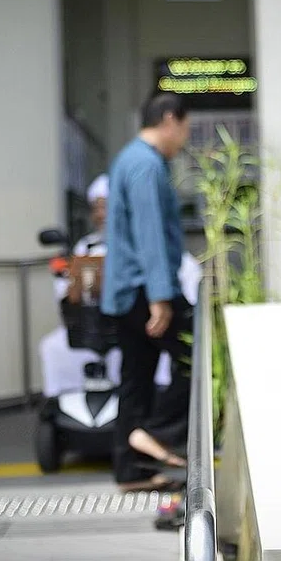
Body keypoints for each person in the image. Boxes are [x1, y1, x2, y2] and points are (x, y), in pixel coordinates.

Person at [101, 92, 193, 492]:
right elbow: (150, 234)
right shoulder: (145, 165)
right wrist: (160, 296)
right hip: (145, 289)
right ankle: (154, 434)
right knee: (197, 358)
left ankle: (131, 469)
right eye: (185, 129)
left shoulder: (130, 159)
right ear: (169, 120)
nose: (184, 139)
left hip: (128, 289)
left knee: (135, 378)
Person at [38, 174, 201, 397]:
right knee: (53, 347)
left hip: (140, 326)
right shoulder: (86, 247)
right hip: (93, 327)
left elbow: (188, 280)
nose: (101, 215)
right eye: (96, 208)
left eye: (106, 207)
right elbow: (68, 294)